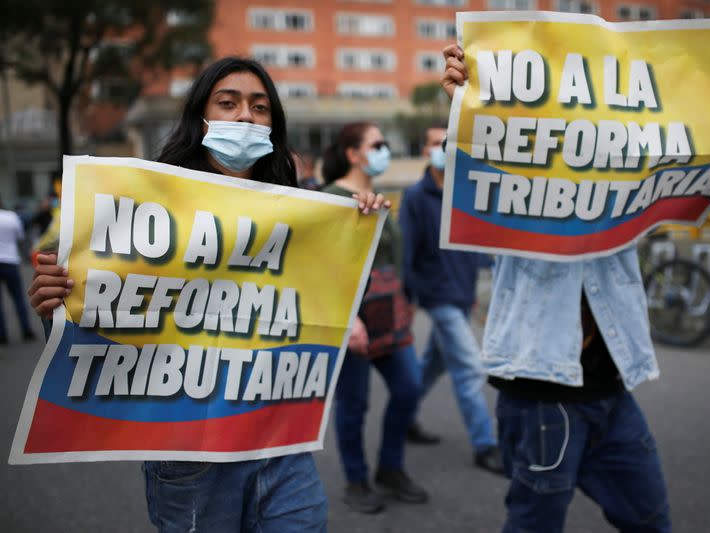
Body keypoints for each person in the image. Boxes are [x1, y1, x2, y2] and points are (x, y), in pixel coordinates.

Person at [26, 56, 389, 533]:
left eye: (260, 108)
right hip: (190, 453)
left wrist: (355, 226)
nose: (245, 117)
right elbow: (95, 301)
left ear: (273, 124)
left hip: (280, 444)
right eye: (228, 103)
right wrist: (54, 299)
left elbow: (325, 304)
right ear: (201, 118)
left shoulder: (300, 205)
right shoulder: (144, 202)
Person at [440, 44, 710, 533]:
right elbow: (474, 167)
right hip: (540, 392)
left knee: (651, 520)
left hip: (613, 390)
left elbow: (690, 166)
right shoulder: (519, 165)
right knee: (535, 524)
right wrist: (466, 107)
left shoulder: (629, 164)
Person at [322, 121, 428, 514]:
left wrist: (407, 299)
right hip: (354, 320)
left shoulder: (377, 196)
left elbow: (393, 258)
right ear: (353, 154)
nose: (385, 150)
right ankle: (356, 479)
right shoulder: (333, 199)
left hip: (391, 315)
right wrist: (349, 318)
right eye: (377, 144)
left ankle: (391, 468)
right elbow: (326, 266)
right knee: (353, 403)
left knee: (409, 387)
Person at [399, 125, 503, 475]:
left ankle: (404, 414)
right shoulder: (415, 196)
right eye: (435, 143)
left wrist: (472, 292)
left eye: (448, 142)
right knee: (471, 368)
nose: (443, 148)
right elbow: (406, 250)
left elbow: (472, 245)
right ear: (426, 150)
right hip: (437, 296)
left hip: (461, 294)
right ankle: (485, 445)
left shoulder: (465, 192)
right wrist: (409, 296)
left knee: (431, 366)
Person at [0, 197, 35, 343]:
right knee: (19, 298)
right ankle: (26, 330)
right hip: (11, 261)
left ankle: (2, 335)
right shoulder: (12, 217)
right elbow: (20, 237)